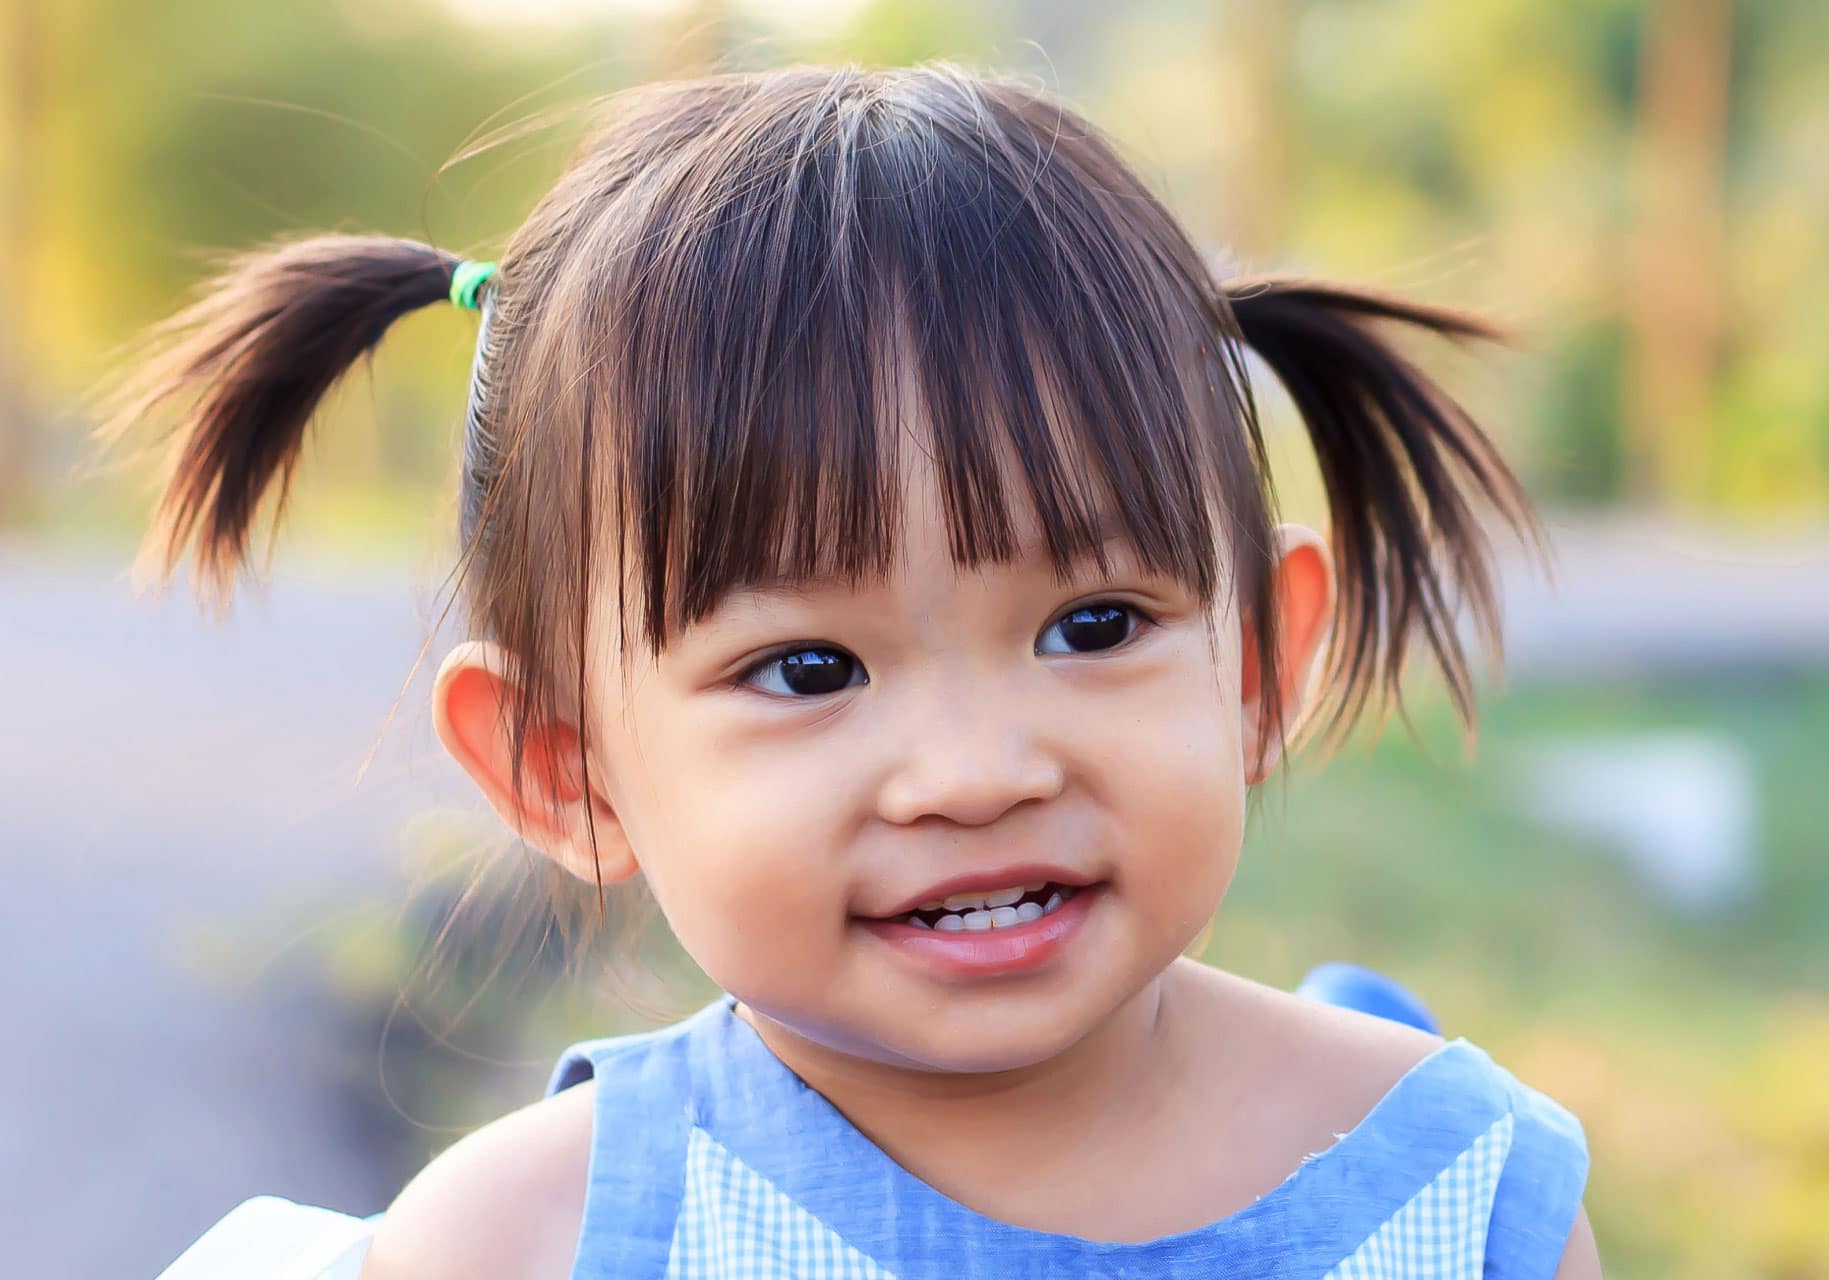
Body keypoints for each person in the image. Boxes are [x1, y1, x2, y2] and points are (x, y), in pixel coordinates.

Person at [103, 61, 1600, 1279]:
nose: (978, 771)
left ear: (1261, 656)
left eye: (1094, 627)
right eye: (809, 667)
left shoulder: (1470, 1211)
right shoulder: (529, 1248)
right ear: (564, 768)